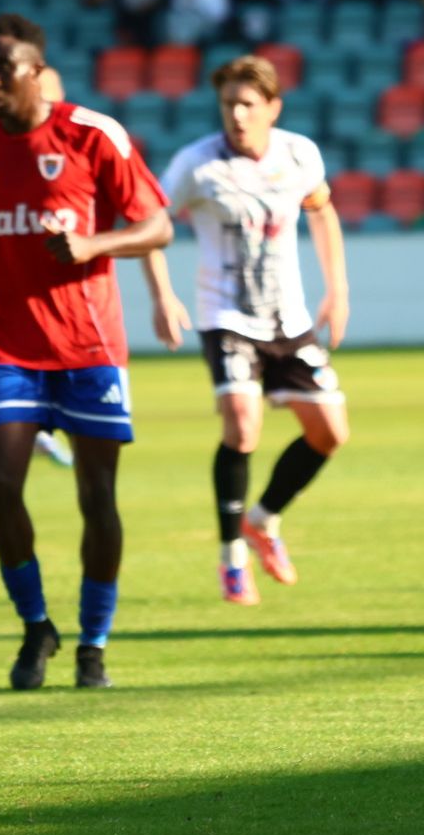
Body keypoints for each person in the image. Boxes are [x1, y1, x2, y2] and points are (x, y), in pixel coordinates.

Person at [0, 14, 174, 691]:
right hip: (8, 344)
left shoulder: (93, 134)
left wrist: (94, 246)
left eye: (2, 68)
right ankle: (36, 624)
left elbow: (156, 224)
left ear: (36, 71)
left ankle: (93, 643)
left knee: (97, 496)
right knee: (3, 489)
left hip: (88, 345)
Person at [145, 55, 350, 606]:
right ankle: (232, 556)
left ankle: (263, 519)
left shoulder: (299, 152)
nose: (236, 114)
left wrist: (338, 289)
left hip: (289, 319)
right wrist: (163, 294)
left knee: (330, 433)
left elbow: (322, 211)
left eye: (247, 104)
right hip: (225, 317)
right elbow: (152, 226)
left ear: (272, 108)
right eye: (228, 104)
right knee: (242, 428)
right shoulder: (197, 163)